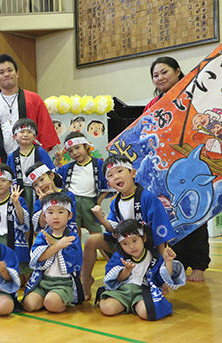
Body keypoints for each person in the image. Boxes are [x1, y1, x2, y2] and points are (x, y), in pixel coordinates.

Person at [145, 56, 209, 282]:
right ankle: (175, 261)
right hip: (164, 170)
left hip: (191, 165)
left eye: (164, 72)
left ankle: (199, 265)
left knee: (197, 214)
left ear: (178, 71)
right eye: (155, 75)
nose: (160, 78)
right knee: (170, 215)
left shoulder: (195, 96)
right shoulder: (153, 106)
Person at [83, 155, 176, 300]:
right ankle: (86, 281)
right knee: (91, 241)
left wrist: (164, 271)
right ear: (108, 183)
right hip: (124, 244)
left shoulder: (147, 198)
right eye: (111, 175)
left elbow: (160, 233)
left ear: (132, 173)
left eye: (120, 171)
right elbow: (114, 229)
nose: (116, 177)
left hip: (146, 247)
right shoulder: (115, 202)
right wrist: (101, 219)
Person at [97, 219, 185, 320]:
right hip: (122, 291)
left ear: (143, 238)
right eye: (125, 244)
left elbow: (163, 277)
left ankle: (135, 305)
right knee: (108, 309)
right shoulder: (119, 257)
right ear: (120, 245)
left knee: (146, 313)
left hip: (143, 292)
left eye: (134, 240)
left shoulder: (153, 256)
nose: (131, 246)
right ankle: (103, 296)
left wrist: (168, 261)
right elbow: (117, 279)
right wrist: (126, 270)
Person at [0, 54, 59, 162]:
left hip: (31, 160)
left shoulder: (34, 100)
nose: (6, 74)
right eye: (1, 72)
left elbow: (45, 130)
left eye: (10, 70)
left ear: (17, 73)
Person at [23, 193, 83, 313]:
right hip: (43, 281)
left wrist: (55, 244)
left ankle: (60, 299)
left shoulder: (72, 236)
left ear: (70, 215)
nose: (55, 217)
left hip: (63, 283)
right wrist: (57, 246)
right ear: (44, 216)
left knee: (52, 303)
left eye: (61, 212)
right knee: (29, 304)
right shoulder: (42, 236)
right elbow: (37, 259)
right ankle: (48, 298)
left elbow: (75, 262)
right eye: (50, 212)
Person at [54, 132, 110, 239]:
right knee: (74, 233)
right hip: (72, 202)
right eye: (70, 151)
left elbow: (107, 185)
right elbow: (53, 176)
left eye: (77, 148)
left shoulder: (98, 164)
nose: (74, 152)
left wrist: (99, 201)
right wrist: (57, 160)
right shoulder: (68, 168)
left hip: (91, 203)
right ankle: (78, 254)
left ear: (86, 146)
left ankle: (106, 255)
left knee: (96, 234)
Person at [0, 164, 30, 281]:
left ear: (11, 183)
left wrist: (16, 204)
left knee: (21, 278)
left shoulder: (18, 200)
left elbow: (23, 223)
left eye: (3, 180)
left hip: (14, 240)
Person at [7, 118, 55, 216]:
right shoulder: (12, 156)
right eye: (22, 132)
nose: (25, 135)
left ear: (34, 136)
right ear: (14, 136)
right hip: (20, 190)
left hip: (40, 188)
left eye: (29, 132)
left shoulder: (40, 152)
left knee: (39, 214)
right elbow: (9, 176)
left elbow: (50, 171)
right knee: (23, 215)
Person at [26, 162, 77, 236]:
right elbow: (42, 225)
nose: (40, 185)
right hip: (48, 239)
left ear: (51, 175)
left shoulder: (68, 195)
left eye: (42, 179)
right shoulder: (38, 203)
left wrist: (53, 197)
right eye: (35, 185)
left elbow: (69, 218)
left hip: (68, 236)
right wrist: (44, 203)